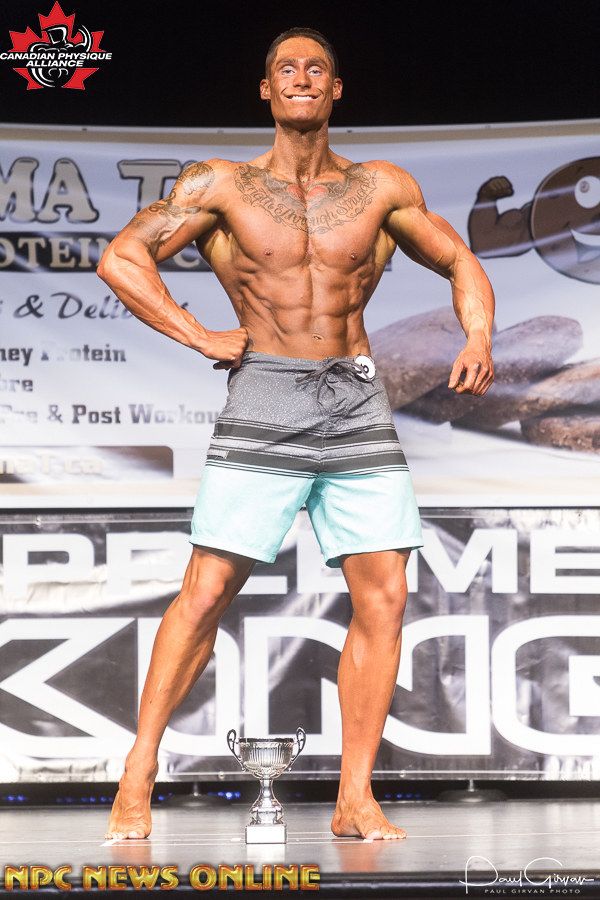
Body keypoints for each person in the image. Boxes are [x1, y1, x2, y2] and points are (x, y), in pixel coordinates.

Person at [97, 26, 494, 842]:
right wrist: (199, 334)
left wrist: (479, 334)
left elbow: (460, 261)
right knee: (207, 590)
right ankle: (139, 769)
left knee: (385, 596)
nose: (303, 78)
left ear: (336, 89)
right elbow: (123, 258)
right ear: (266, 89)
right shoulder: (222, 184)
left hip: (355, 398)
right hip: (266, 395)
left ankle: (355, 796)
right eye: (287, 68)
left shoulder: (381, 187)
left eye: (317, 68)